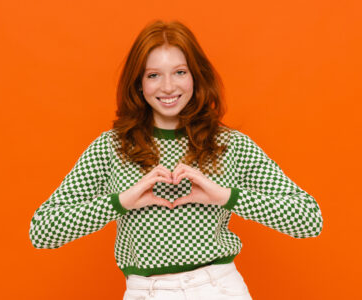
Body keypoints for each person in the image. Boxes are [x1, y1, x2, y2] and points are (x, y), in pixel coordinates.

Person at [29, 20, 323, 300]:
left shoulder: (229, 144)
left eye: (180, 72)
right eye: (153, 75)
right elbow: (42, 231)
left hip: (219, 288)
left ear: (196, 76)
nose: (168, 87)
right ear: (139, 84)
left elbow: (309, 220)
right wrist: (122, 201)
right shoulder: (112, 147)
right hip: (146, 291)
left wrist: (224, 196)